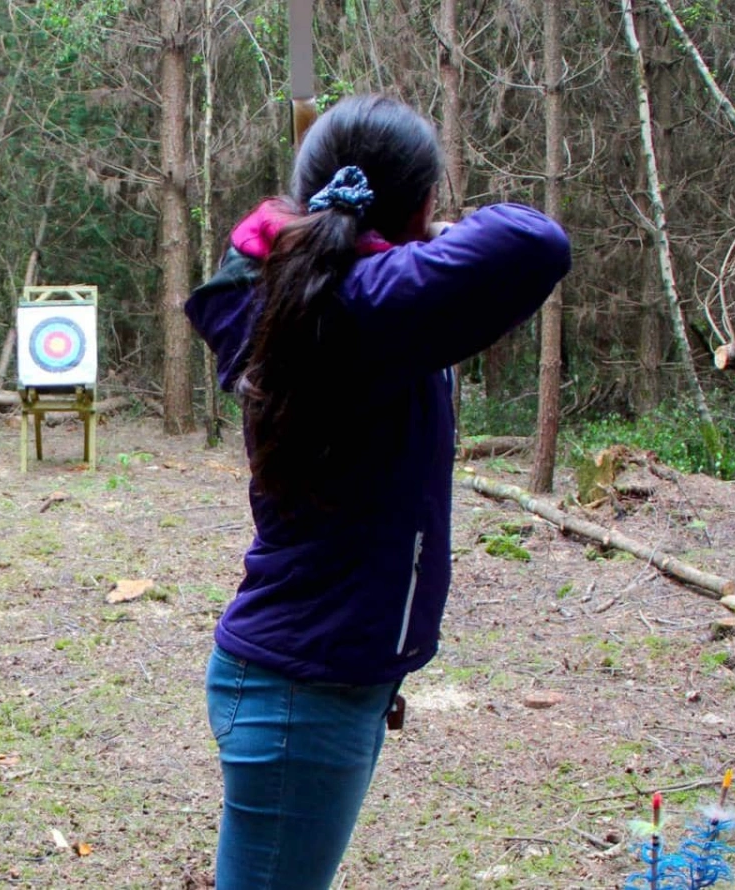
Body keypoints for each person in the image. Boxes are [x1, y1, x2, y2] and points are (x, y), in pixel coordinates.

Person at [185, 95, 571, 889]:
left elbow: (246, 264)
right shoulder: (366, 308)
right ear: (421, 206)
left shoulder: (297, 301)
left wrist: (311, 223)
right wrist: (415, 235)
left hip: (308, 677)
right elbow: (534, 240)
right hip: (304, 691)